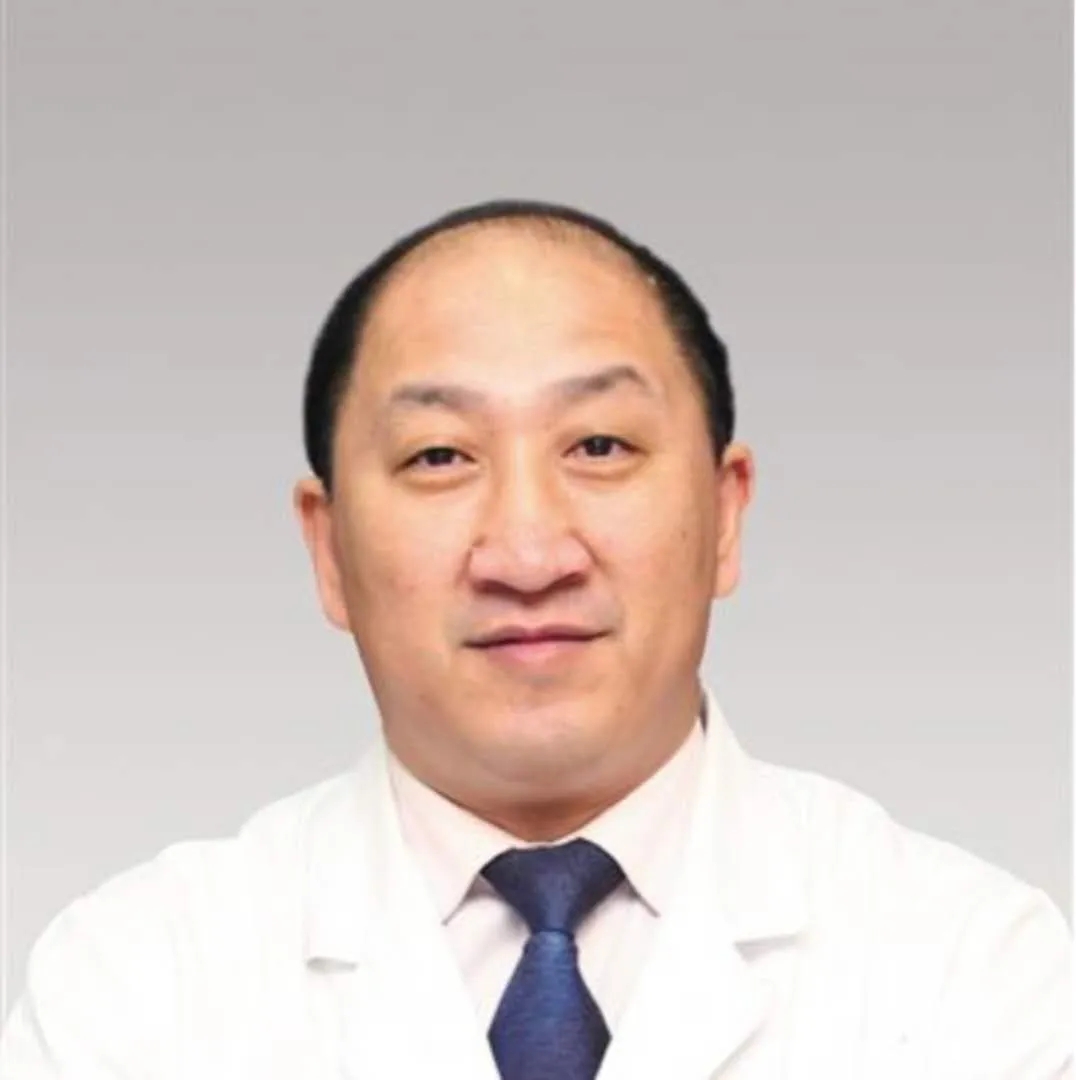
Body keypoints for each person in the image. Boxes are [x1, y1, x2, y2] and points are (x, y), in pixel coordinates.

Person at [1, 200, 1070, 1080]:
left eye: (598, 445)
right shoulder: (133, 987)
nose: (526, 552)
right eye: (438, 457)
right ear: (327, 548)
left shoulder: (977, 971)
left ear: (724, 514)